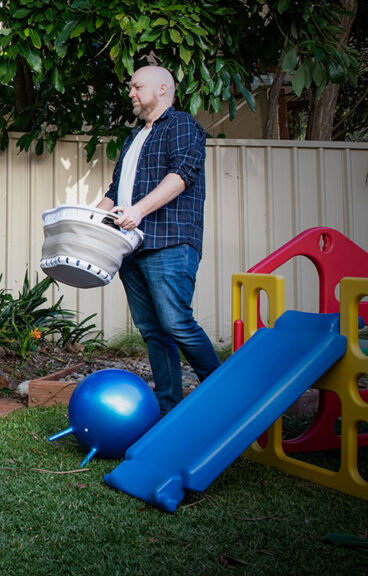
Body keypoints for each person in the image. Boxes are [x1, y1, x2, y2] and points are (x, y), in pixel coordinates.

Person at [96, 65, 222, 415]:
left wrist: (138, 210)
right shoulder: (134, 136)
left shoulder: (182, 125)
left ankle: (226, 394)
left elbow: (181, 175)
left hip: (168, 241)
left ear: (163, 88)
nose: (131, 93)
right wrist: (91, 222)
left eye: (137, 86)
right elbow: (114, 190)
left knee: (176, 322)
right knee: (153, 331)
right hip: (131, 247)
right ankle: (170, 410)